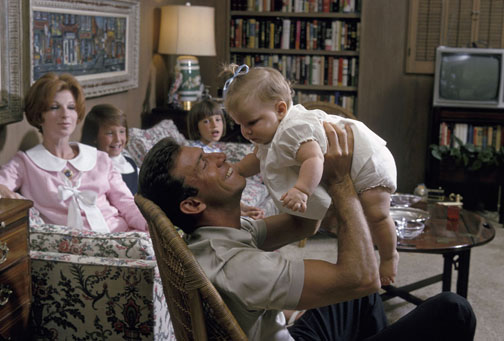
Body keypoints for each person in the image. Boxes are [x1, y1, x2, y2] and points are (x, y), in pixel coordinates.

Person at [137, 122, 476, 341]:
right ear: (193, 205)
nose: (222, 155)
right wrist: (341, 182)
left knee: (358, 297)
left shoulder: (217, 235)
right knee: (452, 309)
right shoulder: (236, 266)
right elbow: (363, 275)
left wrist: (298, 169)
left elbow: (304, 223)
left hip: (287, 335)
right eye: (204, 163)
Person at [222, 64, 398, 285]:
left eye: (252, 122)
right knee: (359, 216)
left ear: (280, 109)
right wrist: (236, 170)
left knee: (377, 214)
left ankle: (390, 257)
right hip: (353, 162)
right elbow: (257, 159)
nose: (246, 131)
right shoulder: (270, 134)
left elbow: (314, 159)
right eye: (240, 125)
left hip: (369, 161)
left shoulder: (292, 129)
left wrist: (302, 190)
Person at [0, 73, 147, 233]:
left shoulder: (99, 158)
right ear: (39, 115)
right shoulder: (24, 163)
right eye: (55, 107)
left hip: (122, 235)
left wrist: (149, 226)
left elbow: (127, 202)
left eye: (71, 107)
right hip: (76, 248)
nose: (65, 114)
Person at [186, 97, 265, 220]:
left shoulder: (215, 150)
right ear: (196, 127)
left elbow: (222, 188)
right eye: (206, 121)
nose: (214, 125)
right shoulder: (196, 152)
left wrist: (242, 206)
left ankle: (240, 208)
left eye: (218, 119)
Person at [81, 103, 139, 195]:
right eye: (109, 133)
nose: (118, 139)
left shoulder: (130, 163)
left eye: (121, 132)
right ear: (94, 136)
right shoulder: (93, 169)